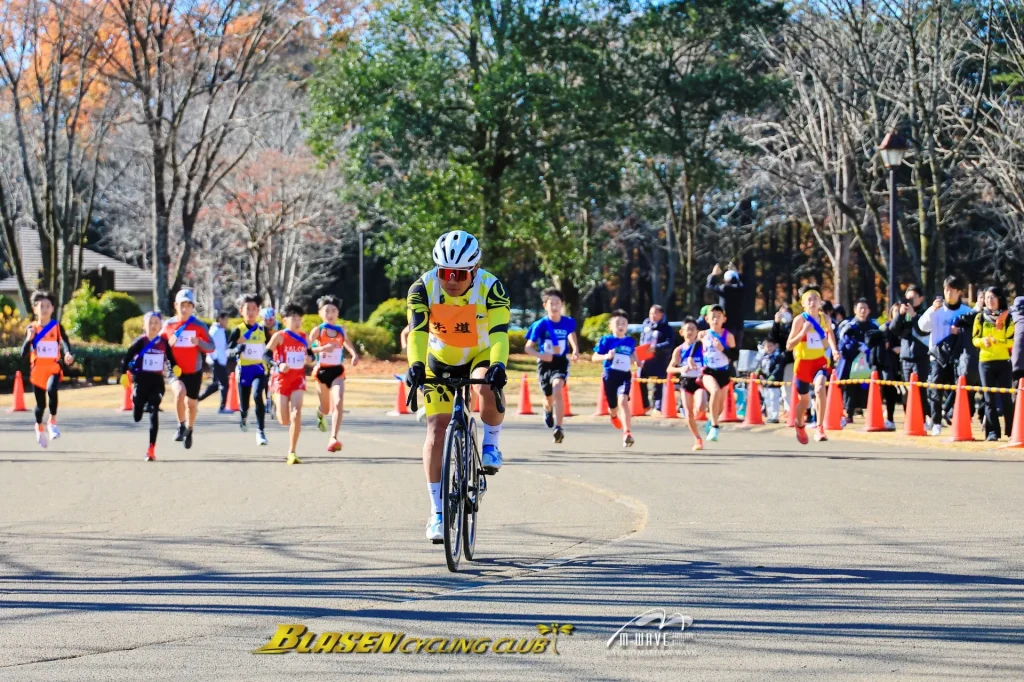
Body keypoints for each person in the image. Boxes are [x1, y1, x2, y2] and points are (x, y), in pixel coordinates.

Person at [404, 231, 510, 543]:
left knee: (486, 388)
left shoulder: (492, 289)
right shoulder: (422, 287)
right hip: (439, 358)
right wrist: (415, 365)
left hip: (479, 353)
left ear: (475, 270)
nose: (451, 280)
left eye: (459, 274)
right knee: (436, 431)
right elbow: (417, 332)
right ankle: (437, 512)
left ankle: (491, 444)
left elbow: (500, 334)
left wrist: (498, 365)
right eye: (444, 272)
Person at [919, 276, 972, 436]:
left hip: (958, 357)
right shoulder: (937, 310)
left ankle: (953, 416)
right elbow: (923, 326)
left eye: (951, 290)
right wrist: (931, 310)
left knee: (959, 388)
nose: (947, 293)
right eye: (945, 289)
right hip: (938, 356)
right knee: (935, 389)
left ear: (959, 292)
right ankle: (936, 422)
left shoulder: (966, 311)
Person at [161, 288, 214, 449]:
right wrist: (169, 343)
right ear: (175, 305)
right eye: (182, 305)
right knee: (179, 392)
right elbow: (160, 345)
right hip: (175, 369)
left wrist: (199, 343)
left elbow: (211, 346)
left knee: (191, 404)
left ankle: (189, 429)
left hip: (194, 370)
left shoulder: (199, 325)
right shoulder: (169, 325)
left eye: (188, 305)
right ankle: (180, 425)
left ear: (193, 307)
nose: (185, 309)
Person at [524, 288, 580, 443]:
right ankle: (547, 409)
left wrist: (575, 350)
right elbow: (528, 347)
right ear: (545, 306)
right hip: (545, 363)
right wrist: (541, 356)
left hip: (560, 362)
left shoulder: (568, 322)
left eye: (557, 303)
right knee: (548, 397)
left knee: (557, 389)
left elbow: (571, 333)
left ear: (562, 305)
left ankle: (559, 427)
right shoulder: (540, 325)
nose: (554, 306)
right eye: (551, 303)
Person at [20, 290, 74, 448]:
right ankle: (39, 426)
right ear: (35, 309)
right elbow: (23, 354)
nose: (44, 309)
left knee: (52, 390)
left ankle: (52, 421)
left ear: (52, 308)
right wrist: (29, 340)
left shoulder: (56, 326)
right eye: (41, 306)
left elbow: (65, 342)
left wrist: (68, 354)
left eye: (47, 306)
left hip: (53, 367)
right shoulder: (32, 328)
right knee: (40, 405)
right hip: (37, 371)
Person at [786, 287, 839, 444]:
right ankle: (799, 425)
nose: (812, 302)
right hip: (802, 364)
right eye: (809, 299)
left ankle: (820, 427)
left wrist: (835, 350)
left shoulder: (825, 319)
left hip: (819, 362)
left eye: (815, 298)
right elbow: (789, 345)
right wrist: (803, 332)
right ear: (803, 304)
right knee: (804, 402)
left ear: (820, 302)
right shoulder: (799, 320)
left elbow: (830, 334)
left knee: (820, 387)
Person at [309, 295, 361, 452]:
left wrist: (354, 354)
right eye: (327, 311)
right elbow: (308, 348)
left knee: (338, 402)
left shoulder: (341, 330)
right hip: (322, 371)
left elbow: (347, 343)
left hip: (337, 371)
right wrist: (321, 349)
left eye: (333, 310)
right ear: (320, 313)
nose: (330, 314)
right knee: (325, 408)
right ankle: (320, 414)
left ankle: (333, 437)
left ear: (338, 313)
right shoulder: (318, 330)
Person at [265, 303, 314, 465]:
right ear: (285, 320)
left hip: (297, 379)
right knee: (283, 420)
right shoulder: (279, 336)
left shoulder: (304, 336)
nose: (297, 322)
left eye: (300, 319)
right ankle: (274, 400)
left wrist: (309, 359)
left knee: (297, 413)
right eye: (294, 318)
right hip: (281, 380)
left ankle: (292, 451)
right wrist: (278, 365)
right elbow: (265, 355)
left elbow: (311, 355)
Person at [122, 311, 170, 460]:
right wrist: (124, 374)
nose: (153, 326)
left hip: (157, 382)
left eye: (156, 322)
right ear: (144, 325)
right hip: (141, 380)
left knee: (154, 410)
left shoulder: (163, 343)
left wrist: (175, 368)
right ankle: (137, 401)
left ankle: (151, 449)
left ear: (161, 325)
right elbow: (127, 358)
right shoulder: (140, 342)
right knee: (137, 417)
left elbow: (172, 359)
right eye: (150, 322)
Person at [227, 294, 270, 446]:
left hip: (259, 368)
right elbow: (228, 351)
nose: (251, 312)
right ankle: (244, 416)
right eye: (248, 309)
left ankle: (261, 431)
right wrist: (237, 349)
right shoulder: (237, 330)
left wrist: (270, 361)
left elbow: (269, 349)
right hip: (244, 370)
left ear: (258, 311)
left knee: (258, 395)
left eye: (254, 309)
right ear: (241, 311)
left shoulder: (263, 329)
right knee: (244, 405)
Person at [973, 286, 1014, 441]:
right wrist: (983, 341)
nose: (989, 301)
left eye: (992, 297)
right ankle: (992, 432)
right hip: (985, 362)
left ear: (999, 299)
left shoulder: (1008, 318)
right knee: (988, 398)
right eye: (987, 298)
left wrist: (998, 342)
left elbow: (1012, 340)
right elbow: (974, 340)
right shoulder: (980, 318)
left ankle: (1011, 431)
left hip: (1003, 361)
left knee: (1006, 398)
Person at [593, 309, 639, 448]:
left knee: (623, 401)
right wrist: (606, 356)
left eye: (624, 323)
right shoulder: (606, 340)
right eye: (617, 323)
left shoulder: (630, 341)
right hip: (610, 375)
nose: (621, 325)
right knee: (613, 407)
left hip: (624, 375)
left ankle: (627, 433)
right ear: (611, 326)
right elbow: (595, 357)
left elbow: (634, 355)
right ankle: (613, 416)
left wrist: (637, 362)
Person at [697, 305, 736, 442]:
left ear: (724, 319)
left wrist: (722, 348)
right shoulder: (703, 335)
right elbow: (695, 348)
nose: (716, 319)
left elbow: (735, 355)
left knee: (720, 407)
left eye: (719, 316)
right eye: (713, 316)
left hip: (724, 372)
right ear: (707, 319)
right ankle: (715, 427)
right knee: (715, 391)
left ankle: (711, 420)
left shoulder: (728, 336)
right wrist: (690, 359)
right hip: (708, 371)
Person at [666, 318, 705, 450]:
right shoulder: (679, 350)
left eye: (693, 329)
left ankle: (698, 412)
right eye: (687, 329)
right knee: (688, 414)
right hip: (686, 381)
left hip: (700, 381)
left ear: (697, 331)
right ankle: (697, 438)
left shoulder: (702, 346)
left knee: (700, 407)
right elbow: (669, 369)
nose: (690, 332)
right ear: (681, 332)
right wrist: (681, 369)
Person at [837, 299, 878, 426]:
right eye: (860, 308)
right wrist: (857, 346)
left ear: (869, 310)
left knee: (868, 389)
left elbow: (878, 342)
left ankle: (868, 412)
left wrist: (868, 348)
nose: (862, 311)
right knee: (850, 389)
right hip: (851, 364)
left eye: (865, 308)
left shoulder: (873, 327)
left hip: (868, 363)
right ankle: (849, 413)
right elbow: (844, 343)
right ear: (855, 310)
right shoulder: (849, 326)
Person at [892, 284, 930, 420]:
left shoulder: (925, 313)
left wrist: (913, 315)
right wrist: (900, 315)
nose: (910, 301)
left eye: (913, 298)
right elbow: (894, 330)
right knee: (907, 391)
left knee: (920, 389)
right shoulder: (903, 313)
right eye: (908, 298)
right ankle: (909, 418)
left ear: (921, 298)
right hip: (906, 357)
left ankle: (923, 418)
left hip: (921, 356)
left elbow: (923, 330)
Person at [638, 304, 674, 415]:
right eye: (650, 313)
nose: (652, 316)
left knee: (659, 384)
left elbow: (669, 343)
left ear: (661, 314)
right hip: (645, 360)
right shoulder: (646, 326)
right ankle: (644, 405)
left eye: (655, 313)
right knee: (640, 380)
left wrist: (656, 348)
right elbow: (642, 340)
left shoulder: (666, 328)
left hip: (660, 360)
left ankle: (658, 406)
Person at [706, 264, 744, 352]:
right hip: (739, 325)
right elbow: (742, 283)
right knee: (736, 352)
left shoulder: (725, 289)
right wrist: (737, 273)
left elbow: (710, 286)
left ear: (725, 280)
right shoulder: (742, 289)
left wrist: (713, 275)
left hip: (727, 325)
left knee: (724, 350)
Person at [198, 311, 231, 412]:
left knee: (217, 384)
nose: (227, 322)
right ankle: (222, 407)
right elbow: (209, 344)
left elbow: (221, 347)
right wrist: (214, 358)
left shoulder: (220, 330)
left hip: (220, 360)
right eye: (225, 319)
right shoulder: (215, 330)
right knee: (224, 383)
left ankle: (196, 399)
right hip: (216, 361)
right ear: (220, 319)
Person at [756, 338, 786, 423]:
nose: (769, 348)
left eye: (771, 346)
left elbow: (778, 368)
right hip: (765, 382)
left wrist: (773, 376)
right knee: (767, 399)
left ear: (775, 346)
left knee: (774, 398)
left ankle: (774, 416)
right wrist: (759, 372)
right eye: (767, 346)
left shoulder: (778, 356)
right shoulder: (763, 357)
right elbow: (761, 367)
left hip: (774, 382)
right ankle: (770, 416)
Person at [261, 307, 278, 420]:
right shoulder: (259, 328)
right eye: (266, 320)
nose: (269, 322)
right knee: (265, 379)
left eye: (271, 319)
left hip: (278, 354)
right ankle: (267, 401)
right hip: (264, 355)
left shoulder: (279, 327)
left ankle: (276, 401)